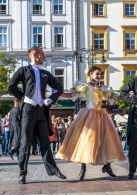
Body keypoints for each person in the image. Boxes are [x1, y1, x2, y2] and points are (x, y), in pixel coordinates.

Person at [8, 46, 66, 184]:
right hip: (28, 110)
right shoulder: (23, 70)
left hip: (41, 111)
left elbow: (59, 87)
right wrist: (23, 97)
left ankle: (53, 170)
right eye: (42, 54)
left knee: (45, 142)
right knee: (25, 143)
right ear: (35, 55)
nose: (44, 57)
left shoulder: (45, 73)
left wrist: (51, 99)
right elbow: (11, 86)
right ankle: (22, 173)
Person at [56, 66, 126, 180]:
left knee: (106, 140)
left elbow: (114, 97)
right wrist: (59, 93)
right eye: (97, 74)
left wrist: (126, 95)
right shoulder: (86, 86)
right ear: (90, 75)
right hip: (89, 115)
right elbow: (72, 94)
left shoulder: (103, 88)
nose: (99, 76)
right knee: (86, 140)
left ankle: (107, 166)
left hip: (102, 116)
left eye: (100, 74)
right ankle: (83, 168)